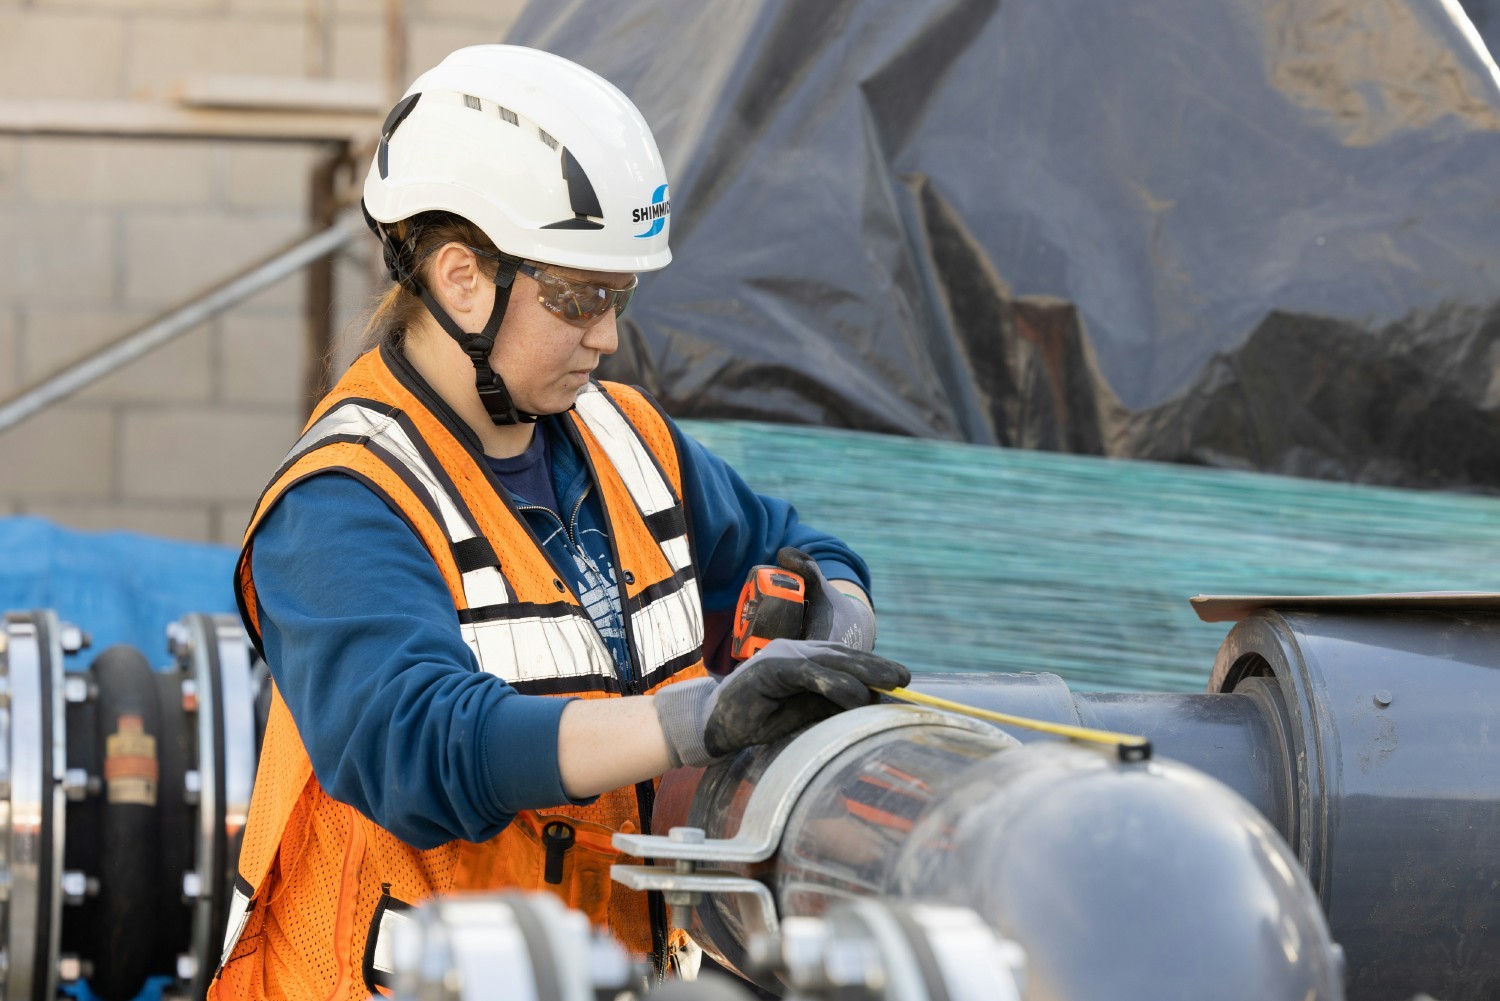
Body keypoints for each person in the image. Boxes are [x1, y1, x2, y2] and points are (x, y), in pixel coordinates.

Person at [209, 44, 908, 1000]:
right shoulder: (342, 499)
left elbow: (806, 552)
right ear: (462, 279)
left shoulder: (628, 440)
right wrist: (691, 720)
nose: (608, 336)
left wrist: (836, 623)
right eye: (577, 298)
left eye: (620, 298)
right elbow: (415, 747)